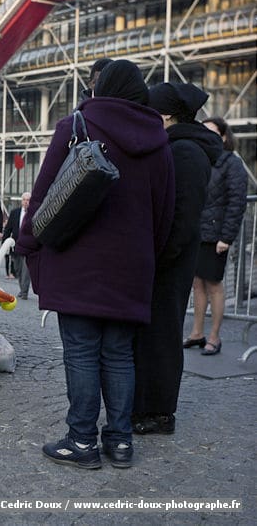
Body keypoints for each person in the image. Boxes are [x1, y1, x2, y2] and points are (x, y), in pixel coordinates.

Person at [16, 60, 175, 469]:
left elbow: (46, 190)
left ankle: (82, 440)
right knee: (120, 354)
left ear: (102, 86)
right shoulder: (159, 141)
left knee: (83, 352)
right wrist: (146, 256)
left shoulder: (77, 125)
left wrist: (28, 242)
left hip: (78, 259)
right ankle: (120, 442)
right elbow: (165, 211)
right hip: (132, 264)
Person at [132, 83, 222, 436]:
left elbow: (181, 217)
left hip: (170, 261)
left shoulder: (185, 151)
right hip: (169, 257)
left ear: (165, 115)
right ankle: (149, 407)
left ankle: (159, 412)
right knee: (156, 333)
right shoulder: (181, 146)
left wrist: (159, 257)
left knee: (163, 335)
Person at [185, 118, 248, 356]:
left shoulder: (231, 163)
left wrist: (226, 237)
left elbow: (237, 202)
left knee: (214, 285)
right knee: (197, 284)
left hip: (216, 236)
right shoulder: (201, 160)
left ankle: (214, 337)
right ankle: (197, 333)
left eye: (212, 133)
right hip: (197, 233)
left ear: (223, 137)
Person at [3, 192, 31, 299]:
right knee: (18, 269)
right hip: (16, 245)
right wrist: (5, 242)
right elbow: (8, 228)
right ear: (21, 201)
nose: (26, 202)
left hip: (28, 246)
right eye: (24, 199)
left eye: (28, 200)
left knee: (26, 269)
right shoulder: (15, 213)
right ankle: (22, 288)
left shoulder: (34, 213)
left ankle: (24, 292)